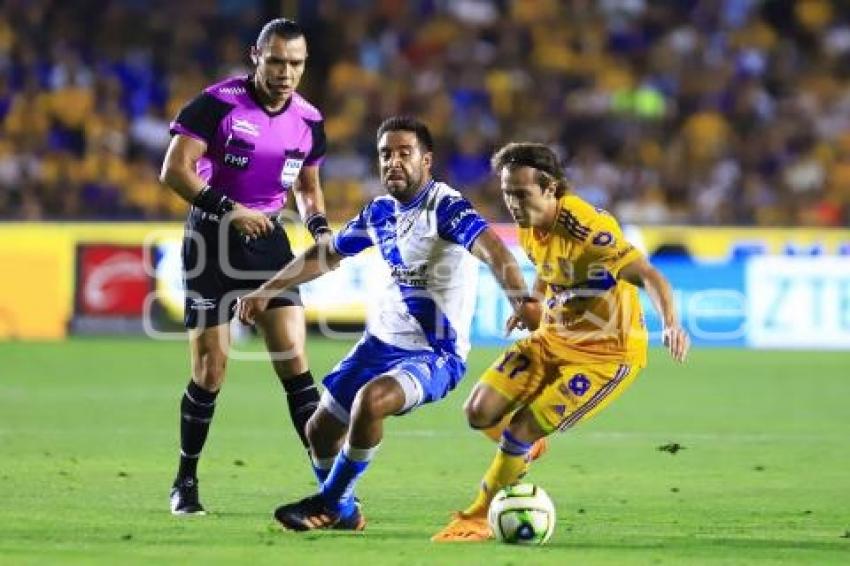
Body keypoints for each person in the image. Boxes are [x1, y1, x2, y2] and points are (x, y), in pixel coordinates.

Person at [237, 116, 541, 531]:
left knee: (371, 401)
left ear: (426, 160)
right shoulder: (379, 211)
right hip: (377, 345)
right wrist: (265, 290)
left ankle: (326, 503)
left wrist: (520, 297)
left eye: (404, 153)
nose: (393, 162)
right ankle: (345, 513)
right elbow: (324, 256)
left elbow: (494, 251)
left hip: (435, 353)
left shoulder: (446, 208)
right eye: (385, 154)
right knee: (320, 431)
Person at [431, 142, 690, 541]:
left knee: (519, 429)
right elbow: (547, 266)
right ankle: (524, 453)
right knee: (479, 412)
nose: (512, 203)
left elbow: (651, 276)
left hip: (605, 355)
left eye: (520, 194)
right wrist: (532, 300)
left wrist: (671, 324)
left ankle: (480, 515)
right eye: (506, 193)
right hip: (553, 337)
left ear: (550, 187)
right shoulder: (530, 223)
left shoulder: (590, 231)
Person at [160, 18, 331, 515]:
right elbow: (174, 170)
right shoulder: (217, 103)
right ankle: (185, 481)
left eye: (295, 63)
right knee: (211, 370)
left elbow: (306, 186)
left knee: (296, 366)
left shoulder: (309, 120)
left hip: (268, 240)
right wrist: (231, 211)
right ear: (255, 55)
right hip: (212, 236)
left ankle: (334, 491)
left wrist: (319, 227)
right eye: (276, 60)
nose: (285, 72)